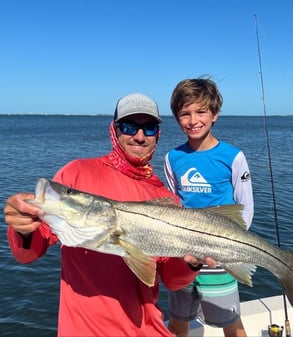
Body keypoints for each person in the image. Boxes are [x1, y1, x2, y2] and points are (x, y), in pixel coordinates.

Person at [4, 92, 216, 337]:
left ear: (157, 135)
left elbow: (173, 280)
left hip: (149, 331)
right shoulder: (76, 174)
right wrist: (22, 226)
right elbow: (29, 252)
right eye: (129, 126)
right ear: (114, 130)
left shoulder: (167, 200)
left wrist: (191, 262)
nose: (139, 136)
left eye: (148, 128)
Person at [164, 78, 254, 337]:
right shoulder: (172, 157)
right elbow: (172, 206)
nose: (193, 120)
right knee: (178, 319)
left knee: (231, 321)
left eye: (201, 111)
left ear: (215, 114)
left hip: (221, 257)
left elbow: (245, 210)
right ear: (177, 118)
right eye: (185, 113)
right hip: (182, 255)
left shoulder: (233, 157)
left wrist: (227, 247)